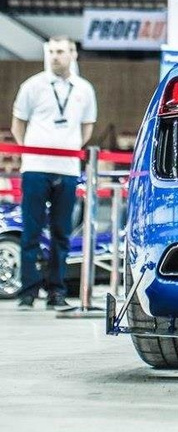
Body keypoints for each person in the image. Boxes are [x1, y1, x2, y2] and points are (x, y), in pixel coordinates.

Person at [11, 37, 97, 310]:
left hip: (67, 169)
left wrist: (68, 148)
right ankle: (28, 291)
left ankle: (56, 291)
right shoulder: (33, 85)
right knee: (31, 232)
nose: (55, 56)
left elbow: (87, 127)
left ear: (72, 54)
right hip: (35, 168)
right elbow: (17, 125)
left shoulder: (84, 89)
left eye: (60, 51)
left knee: (62, 233)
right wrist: (33, 153)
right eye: (51, 52)